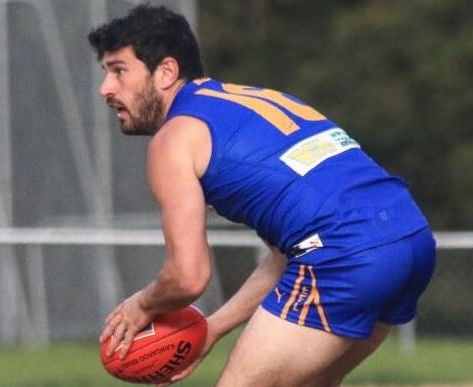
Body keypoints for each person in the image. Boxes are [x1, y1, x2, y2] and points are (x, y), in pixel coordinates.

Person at [88, 4, 436, 386]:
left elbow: (187, 278)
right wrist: (214, 327)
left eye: (119, 71)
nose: (106, 89)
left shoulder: (174, 139)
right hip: (409, 239)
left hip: (344, 254)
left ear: (167, 71)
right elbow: (288, 255)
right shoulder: (258, 100)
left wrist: (142, 304)